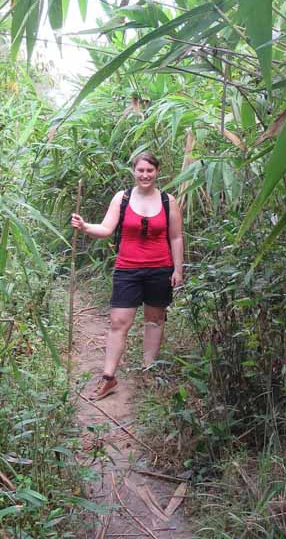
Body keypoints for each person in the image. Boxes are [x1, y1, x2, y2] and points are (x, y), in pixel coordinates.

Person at [71, 152, 184, 400]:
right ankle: (109, 378)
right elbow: (106, 228)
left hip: (160, 269)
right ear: (134, 171)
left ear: (157, 172)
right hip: (127, 269)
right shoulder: (121, 198)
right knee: (118, 323)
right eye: (140, 170)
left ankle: (148, 371)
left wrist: (178, 269)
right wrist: (85, 226)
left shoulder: (168, 201)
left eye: (150, 170)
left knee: (154, 320)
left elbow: (176, 237)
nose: (145, 175)